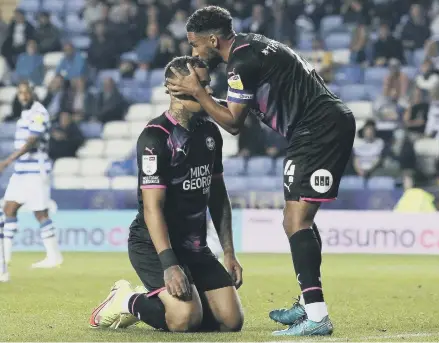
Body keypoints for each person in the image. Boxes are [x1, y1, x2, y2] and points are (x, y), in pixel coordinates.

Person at [166, 6, 356, 336]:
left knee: (296, 221)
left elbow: (233, 123)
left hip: (318, 127)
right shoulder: (251, 44)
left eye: (195, 45)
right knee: (298, 221)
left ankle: (316, 316)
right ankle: (310, 304)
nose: (194, 52)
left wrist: (198, 93)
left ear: (212, 40)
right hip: (317, 126)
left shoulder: (241, 62)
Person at [89, 56, 244, 333]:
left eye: (208, 84)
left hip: (194, 246)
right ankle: (126, 299)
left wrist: (229, 252)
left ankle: (183, 302)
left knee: (231, 321)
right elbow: (153, 209)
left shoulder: (210, 132)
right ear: (176, 88)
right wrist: (170, 264)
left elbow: (218, 196)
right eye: (201, 84)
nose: (208, 92)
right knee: (184, 319)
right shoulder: (155, 138)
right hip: (154, 245)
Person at [0, 81, 63, 282]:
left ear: (32, 93)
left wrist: (9, 159)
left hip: (36, 170)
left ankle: (53, 256)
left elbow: (33, 140)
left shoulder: (38, 112)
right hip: (21, 172)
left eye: (26, 92)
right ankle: (5, 258)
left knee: (40, 212)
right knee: (9, 208)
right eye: (20, 93)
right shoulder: (26, 113)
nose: (23, 96)